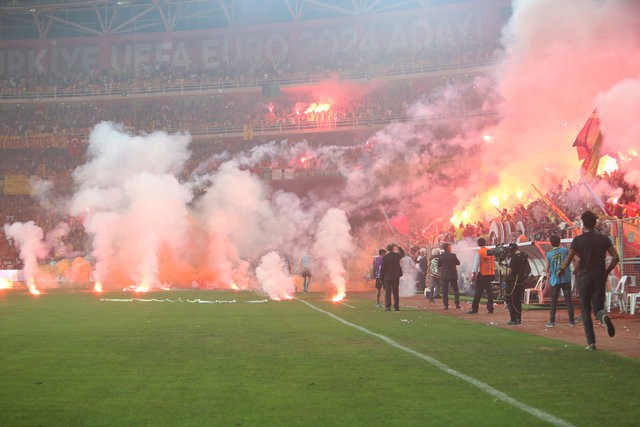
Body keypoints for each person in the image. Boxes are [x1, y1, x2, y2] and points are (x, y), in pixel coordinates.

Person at [558, 211, 619, 351]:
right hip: (599, 276)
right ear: (595, 223)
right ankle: (603, 316)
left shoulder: (578, 240)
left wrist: (561, 269)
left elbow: (569, 259)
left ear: (582, 223)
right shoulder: (604, 239)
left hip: (584, 277)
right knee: (598, 307)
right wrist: (606, 272)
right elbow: (616, 257)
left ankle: (591, 343)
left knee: (585, 310)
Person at [545, 234, 576, 327]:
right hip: (566, 278)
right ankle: (571, 321)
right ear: (560, 241)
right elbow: (570, 259)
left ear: (551, 243)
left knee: (553, 301)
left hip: (555, 280)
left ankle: (551, 321)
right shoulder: (565, 250)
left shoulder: (549, 254)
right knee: (568, 300)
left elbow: (547, 269)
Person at [468, 237, 495, 314]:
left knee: (478, 292)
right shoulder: (490, 251)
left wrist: (473, 275)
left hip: (482, 274)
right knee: (489, 292)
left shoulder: (479, 252)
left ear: (478, 244)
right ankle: (490, 309)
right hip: (490, 274)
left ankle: (474, 308)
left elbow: (476, 265)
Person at [505, 243, 527, 325]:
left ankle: (513, 319)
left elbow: (509, 271)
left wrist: (503, 268)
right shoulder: (523, 256)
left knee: (511, 301)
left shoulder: (514, 258)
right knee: (517, 301)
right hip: (520, 282)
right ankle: (518, 319)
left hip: (513, 283)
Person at [379, 243, 405, 311]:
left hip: (387, 277)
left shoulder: (385, 257)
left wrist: (381, 278)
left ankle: (388, 307)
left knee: (388, 292)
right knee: (396, 292)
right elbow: (403, 253)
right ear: (393, 249)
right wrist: (398, 246)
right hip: (396, 276)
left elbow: (383, 269)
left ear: (387, 250)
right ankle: (396, 307)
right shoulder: (396, 255)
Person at [438, 243, 460, 310]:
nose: (451, 248)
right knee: (455, 290)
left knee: (445, 291)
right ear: (447, 248)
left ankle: (445, 305)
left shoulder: (441, 256)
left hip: (444, 275)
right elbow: (458, 263)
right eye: (450, 247)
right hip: (452, 274)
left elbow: (439, 265)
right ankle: (457, 304)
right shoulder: (453, 255)